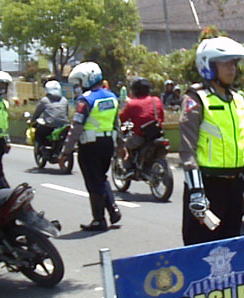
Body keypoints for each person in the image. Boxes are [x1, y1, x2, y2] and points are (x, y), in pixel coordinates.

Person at [179, 36, 244, 246]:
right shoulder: (195, 99)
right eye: (225, 63)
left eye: (234, 63)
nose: (231, 69)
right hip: (207, 185)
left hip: (233, 187)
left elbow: (242, 148)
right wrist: (197, 193)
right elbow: (188, 151)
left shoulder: (238, 100)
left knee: (231, 247)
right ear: (208, 65)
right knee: (201, 249)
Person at [60, 62, 121, 231]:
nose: (78, 86)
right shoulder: (112, 97)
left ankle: (99, 220)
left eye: (79, 81)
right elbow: (117, 123)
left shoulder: (85, 100)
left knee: (94, 183)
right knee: (101, 177)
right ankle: (113, 210)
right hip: (108, 144)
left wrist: (66, 151)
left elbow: (76, 127)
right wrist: (121, 145)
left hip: (90, 146)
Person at [118, 77, 164, 171]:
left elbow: (122, 118)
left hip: (141, 136)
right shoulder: (156, 100)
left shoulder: (133, 104)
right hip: (156, 134)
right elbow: (162, 117)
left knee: (124, 144)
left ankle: (127, 168)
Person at [32, 80, 69, 148]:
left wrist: (32, 120)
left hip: (50, 126)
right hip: (64, 126)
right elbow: (66, 114)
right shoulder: (65, 100)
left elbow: (37, 112)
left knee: (38, 133)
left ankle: (44, 149)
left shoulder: (44, 100)